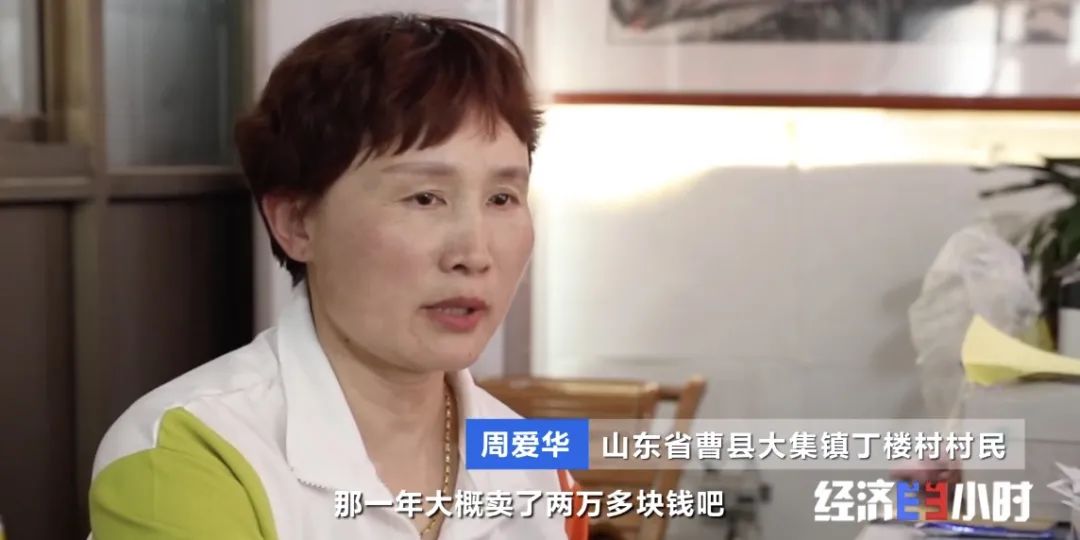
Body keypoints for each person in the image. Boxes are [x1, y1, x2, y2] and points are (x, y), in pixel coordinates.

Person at [87, 13, 588, 539]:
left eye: (502, 198)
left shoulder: (539, 466)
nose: (474, 253)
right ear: (296, 223)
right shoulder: (190, 452)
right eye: (424, 198)